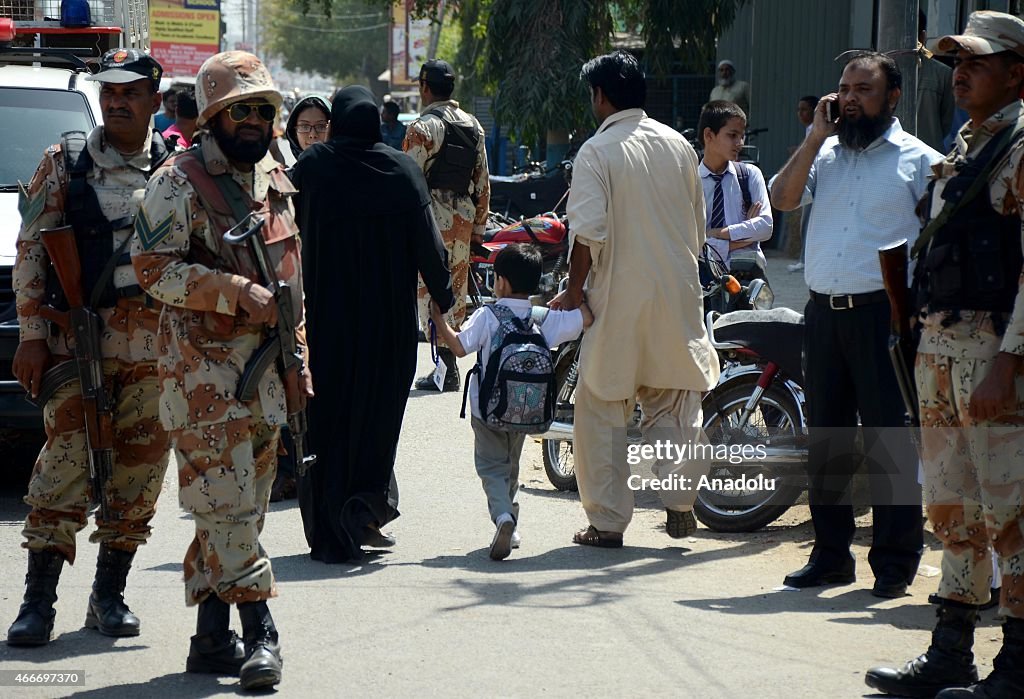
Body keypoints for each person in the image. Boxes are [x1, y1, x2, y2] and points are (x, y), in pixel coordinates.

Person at [132, 51, 309, 690]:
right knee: (228, 504)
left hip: (266, 373)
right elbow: (153, 270)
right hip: (201, 375)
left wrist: (300, 362)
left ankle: (210, 642)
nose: (255, 121)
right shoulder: (177, 182)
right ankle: (261, 634)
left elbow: (291, 283)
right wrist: (231, 289)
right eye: (241, 111)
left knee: (240, 507)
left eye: (263, 109)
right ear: (213, 116)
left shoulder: (275, 177)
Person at [865, 11, 1024, 698]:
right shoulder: (962, 146)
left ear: (1017, 72)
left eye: (978, 62)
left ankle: (1017, 666)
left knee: (1011, 515)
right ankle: (951, 653)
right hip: (939, 351)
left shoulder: (1019, 146)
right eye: (954, 61)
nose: (960, 73)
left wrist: (1010, 360)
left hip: (994, 354)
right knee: (955, 512)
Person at [6, 49, 171, 646]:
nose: (116, 101)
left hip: (155, 350)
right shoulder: (66, 162)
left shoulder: (177, 170)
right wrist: (30, 336)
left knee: (139, 473)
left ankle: (109, 596)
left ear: (155, 98)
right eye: (108, 92)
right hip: (80, 344)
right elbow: (30, 250)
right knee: (64, 465)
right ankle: (37, 603)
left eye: (130, 92)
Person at [771, 52, 940, 598]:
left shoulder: (921, 162)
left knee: (889, 443)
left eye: (862, 89)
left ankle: (893, 564)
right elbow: (782, 198)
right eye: (843, 88)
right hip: (822, 313)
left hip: (883, 317)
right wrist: (814, 138)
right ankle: (830, 557)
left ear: (891, 97)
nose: (848, 98)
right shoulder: (826, 154)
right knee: (829, 440)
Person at [550, 50, 719, 547]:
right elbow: (697, 227)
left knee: (602, 409)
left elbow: (587, 234)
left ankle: (606, 523)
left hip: (617, 299)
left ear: (600, 97)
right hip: (678, 296)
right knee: (673, 404)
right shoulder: (679, 146)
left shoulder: (596, 152)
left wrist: (574, 289)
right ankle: (681, 502)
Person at [291, 85, 455, 563]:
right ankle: (363, 510)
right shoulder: (402, 170)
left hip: (326, 323)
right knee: (378, 420)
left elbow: (280, 236)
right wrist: (445, 307)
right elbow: (431, 246)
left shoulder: (314, 168)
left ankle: (328, 525)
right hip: (389, 328)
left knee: (330, 420)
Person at [429, 243, 591, 560]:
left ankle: (503, 517)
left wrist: (440, 321)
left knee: (491, 468)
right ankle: (511, 525)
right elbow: (585, 317)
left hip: (488, 410)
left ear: (500, 281)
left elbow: (460, 348)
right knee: (511, 468)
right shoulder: (542, 318)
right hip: (527, 412)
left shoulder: (487, 316)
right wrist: (571, 299)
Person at [404, 59, 490, 392]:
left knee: (429, 291)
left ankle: (445, 367)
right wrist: (478, 231)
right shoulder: (474, 126)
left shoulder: (421, 128)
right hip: (463, 222)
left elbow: (409, 182)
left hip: (431, 221)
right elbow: (482, 183)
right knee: (455, 291)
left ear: (425, 87)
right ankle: (448, 362)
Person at [697, 100, 773, 279]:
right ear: (709, 135)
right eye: (732, 135)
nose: (740, 143)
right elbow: (690, 241)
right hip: (703, 276)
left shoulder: (749, 175)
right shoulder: (691, 181)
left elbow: (765, 227)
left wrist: (717, 234)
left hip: (746, 273)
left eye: (742, 135)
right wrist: (744, 235)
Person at [917, 9, 955, 153]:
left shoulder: (943, 73)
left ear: (922, 36)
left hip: (928, 158)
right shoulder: (877, 73)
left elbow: (946, 124)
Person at [788, 95, 819, 273]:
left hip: (813, 180)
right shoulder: (810, 129)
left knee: (807, 221)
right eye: (798, 110)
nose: (800, 113)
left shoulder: (817, 129)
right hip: (810, 179)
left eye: (804, 109)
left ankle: (805, 260)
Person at [284, 94, 330, 161]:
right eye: (304, 127)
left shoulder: (346, 170)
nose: (312, 134)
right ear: (294, 133)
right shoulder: (286, 171)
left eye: (321, 127)